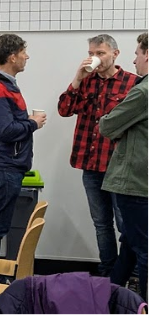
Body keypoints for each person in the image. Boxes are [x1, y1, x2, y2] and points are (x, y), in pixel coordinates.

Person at [56, 34, 137, 277]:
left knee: (126, 225)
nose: (95, 58)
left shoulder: (132, 83)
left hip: (119, 167)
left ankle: (130, 274)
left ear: (115, 54)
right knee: (101, 223)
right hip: (91, 165)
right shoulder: (86, 81)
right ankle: (108, 273)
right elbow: (64, 110)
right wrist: (77, 79)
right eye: (91, 53)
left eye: (100, 53)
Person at [0, 33, 47, 276]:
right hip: (2, 166)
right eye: (23, 52)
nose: (27, 56)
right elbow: (5, 131)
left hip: (7, 165)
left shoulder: (4, 86)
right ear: (12, 57)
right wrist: (33, 123)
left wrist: (27, 122)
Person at [99, 32, 148, 301]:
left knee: (144, 249)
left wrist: (110, 122)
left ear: (148, 55)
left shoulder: (143, 91)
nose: (135, 60)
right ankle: (109, 297)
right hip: (143, 180)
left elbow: (107, 125)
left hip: (136, 183)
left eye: (138, 53)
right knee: (130, 242)